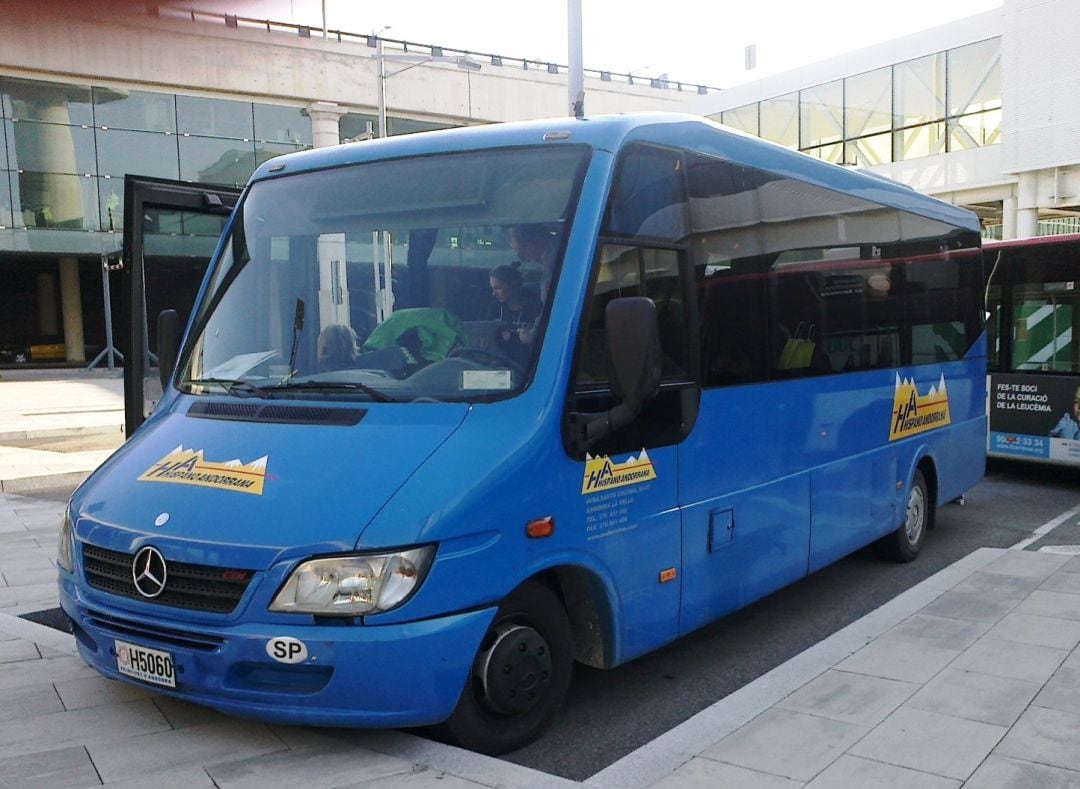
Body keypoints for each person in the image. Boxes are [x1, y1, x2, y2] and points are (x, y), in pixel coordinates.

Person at [489, 263, 541, 362]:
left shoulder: (536, 308)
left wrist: (531, 338)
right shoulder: (495, 309)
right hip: (498, 362)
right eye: (492, 288)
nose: (494, 293)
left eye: (498, 288)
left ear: (513, 284)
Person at [509, 224, 558, 303]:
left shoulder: (555, 263)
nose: (524, 260)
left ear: (533, 245)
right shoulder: (563, 250)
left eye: (521, 253)